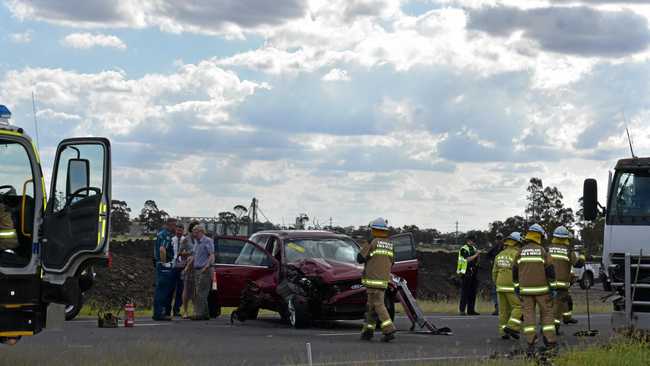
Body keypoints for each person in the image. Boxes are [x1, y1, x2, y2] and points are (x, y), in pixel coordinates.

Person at [513, 224, 557, 356]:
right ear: (539, 237)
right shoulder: (543, 251)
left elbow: (514, 273)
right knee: (547, 315)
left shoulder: (520, 252)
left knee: (528, 317)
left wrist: (517, 288)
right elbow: (551, 272)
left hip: (525, 292)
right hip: (542, 292)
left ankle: (531, 343)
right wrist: (552, 288)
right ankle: (550, 342)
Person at [357, 217, 396, 342]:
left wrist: (367, 244)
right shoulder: (390, 244)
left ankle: (389, 329)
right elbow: (392, 262)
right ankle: (367, 332)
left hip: (373, 280)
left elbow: (360, 258)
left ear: (374, 230)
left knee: (378, 304)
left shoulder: (372, 242)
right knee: (371, 306)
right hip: (383, 280)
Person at [547, 226, 585, 331]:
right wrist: (582, 256)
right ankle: (554, 327)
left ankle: (566, 318)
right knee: (558, 306)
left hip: (548, 283)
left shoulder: (547, 249)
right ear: (565, 238)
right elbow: (578, 264)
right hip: (561, 284)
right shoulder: (568, 250)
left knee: (552, 304)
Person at [492, 232, 523, 339]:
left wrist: (497, 283)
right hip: (512, 285)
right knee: (519, 307)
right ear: (516, 243)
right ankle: (511, 327)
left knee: (503, 311)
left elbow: (494, 272)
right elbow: (520, 270)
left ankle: (503, 332)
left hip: (500, 286)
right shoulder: (517, 254)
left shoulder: (499, 255)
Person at [153, 218, 177, 321]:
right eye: (174, 225)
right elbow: (162, 249)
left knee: (160, 289)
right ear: (170, 225)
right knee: (162, 291)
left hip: (159, 263)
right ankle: (159, 313)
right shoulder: (166, 235)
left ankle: (158, 312)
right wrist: (164, 263)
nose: (175, 228)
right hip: (164, 265)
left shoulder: (160, 233)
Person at [191, 224, 215, 321]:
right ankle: (205, 313)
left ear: (200, 232)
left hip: (204, 269)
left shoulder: (208, 241)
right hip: (197, 269)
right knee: (199, 292)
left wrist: (206, 266)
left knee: (201, 292)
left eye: (195, 232)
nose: (193, 234)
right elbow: (194, 256)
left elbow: (211, 255)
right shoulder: (196, 242)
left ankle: (199, 313)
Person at [457, 234, 480, 316]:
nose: (473, 242)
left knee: (472, 292)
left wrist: (478, 257)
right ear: (468, 240)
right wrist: (476, 255)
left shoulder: (474, 249)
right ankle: (462, 310)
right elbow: (467, 259)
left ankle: (471, 310)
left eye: (474, 241)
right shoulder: (464, 249)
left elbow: (476, 261)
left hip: (473, 272)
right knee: (465, 292)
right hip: (465, 272)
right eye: (472, 241)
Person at [180, 221, 199, 319]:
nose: (197, 231)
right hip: (188, 267)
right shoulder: (186, 240)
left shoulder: (200, 239)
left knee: (195, 291)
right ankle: (185, 311)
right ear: (191, 230)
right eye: (195, 229)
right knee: (186, 290)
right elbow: (180, 253)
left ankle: (195, 310)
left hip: (198, 267)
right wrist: (188, 255)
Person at [170, 226, 186, 317]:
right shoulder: (172, 240)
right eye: (178, 230)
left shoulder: (185, 240)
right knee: (171, 288)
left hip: (182, 266)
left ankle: (177, 309)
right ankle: (168, 309)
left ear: (183, 231)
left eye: (181, 231)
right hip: (173, 265)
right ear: (175, 230)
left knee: (180, 289)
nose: (179, 232)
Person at [487, 233, 505, 316]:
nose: (499, 240)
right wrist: (491, 261)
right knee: (495, 291)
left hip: (505, 271)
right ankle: (497, 307)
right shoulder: (494, 248)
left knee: (505, 291)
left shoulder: (505, 248)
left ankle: (505, 308)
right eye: (497, 239)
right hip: (496, 271)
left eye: (500, 238)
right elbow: (488, 255)